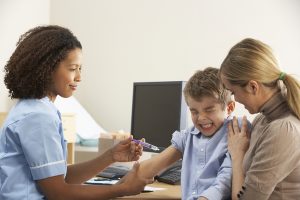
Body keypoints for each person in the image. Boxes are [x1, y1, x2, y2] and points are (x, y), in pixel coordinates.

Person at [0, 25, 153, 200]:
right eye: (73, 69)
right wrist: (121, 189)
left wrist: (111, 156)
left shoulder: (34, 108)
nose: (79, 77)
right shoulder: (38, 117)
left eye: (80, 69)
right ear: (46, 68)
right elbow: (58, 193)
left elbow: (60, 179)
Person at [136, 67, 236, 200]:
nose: (201, 118)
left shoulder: (236, 133)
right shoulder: (188, 136)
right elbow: (151, 167)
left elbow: (225, 182)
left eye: (209, 110)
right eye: (194, 111)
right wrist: (129, 176)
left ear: (229, 108)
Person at [219, 38, 300, 200]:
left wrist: (237, 155)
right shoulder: (262, 120)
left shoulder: (283, 129)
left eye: (233, 92)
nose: (235, 99)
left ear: (253, 87)